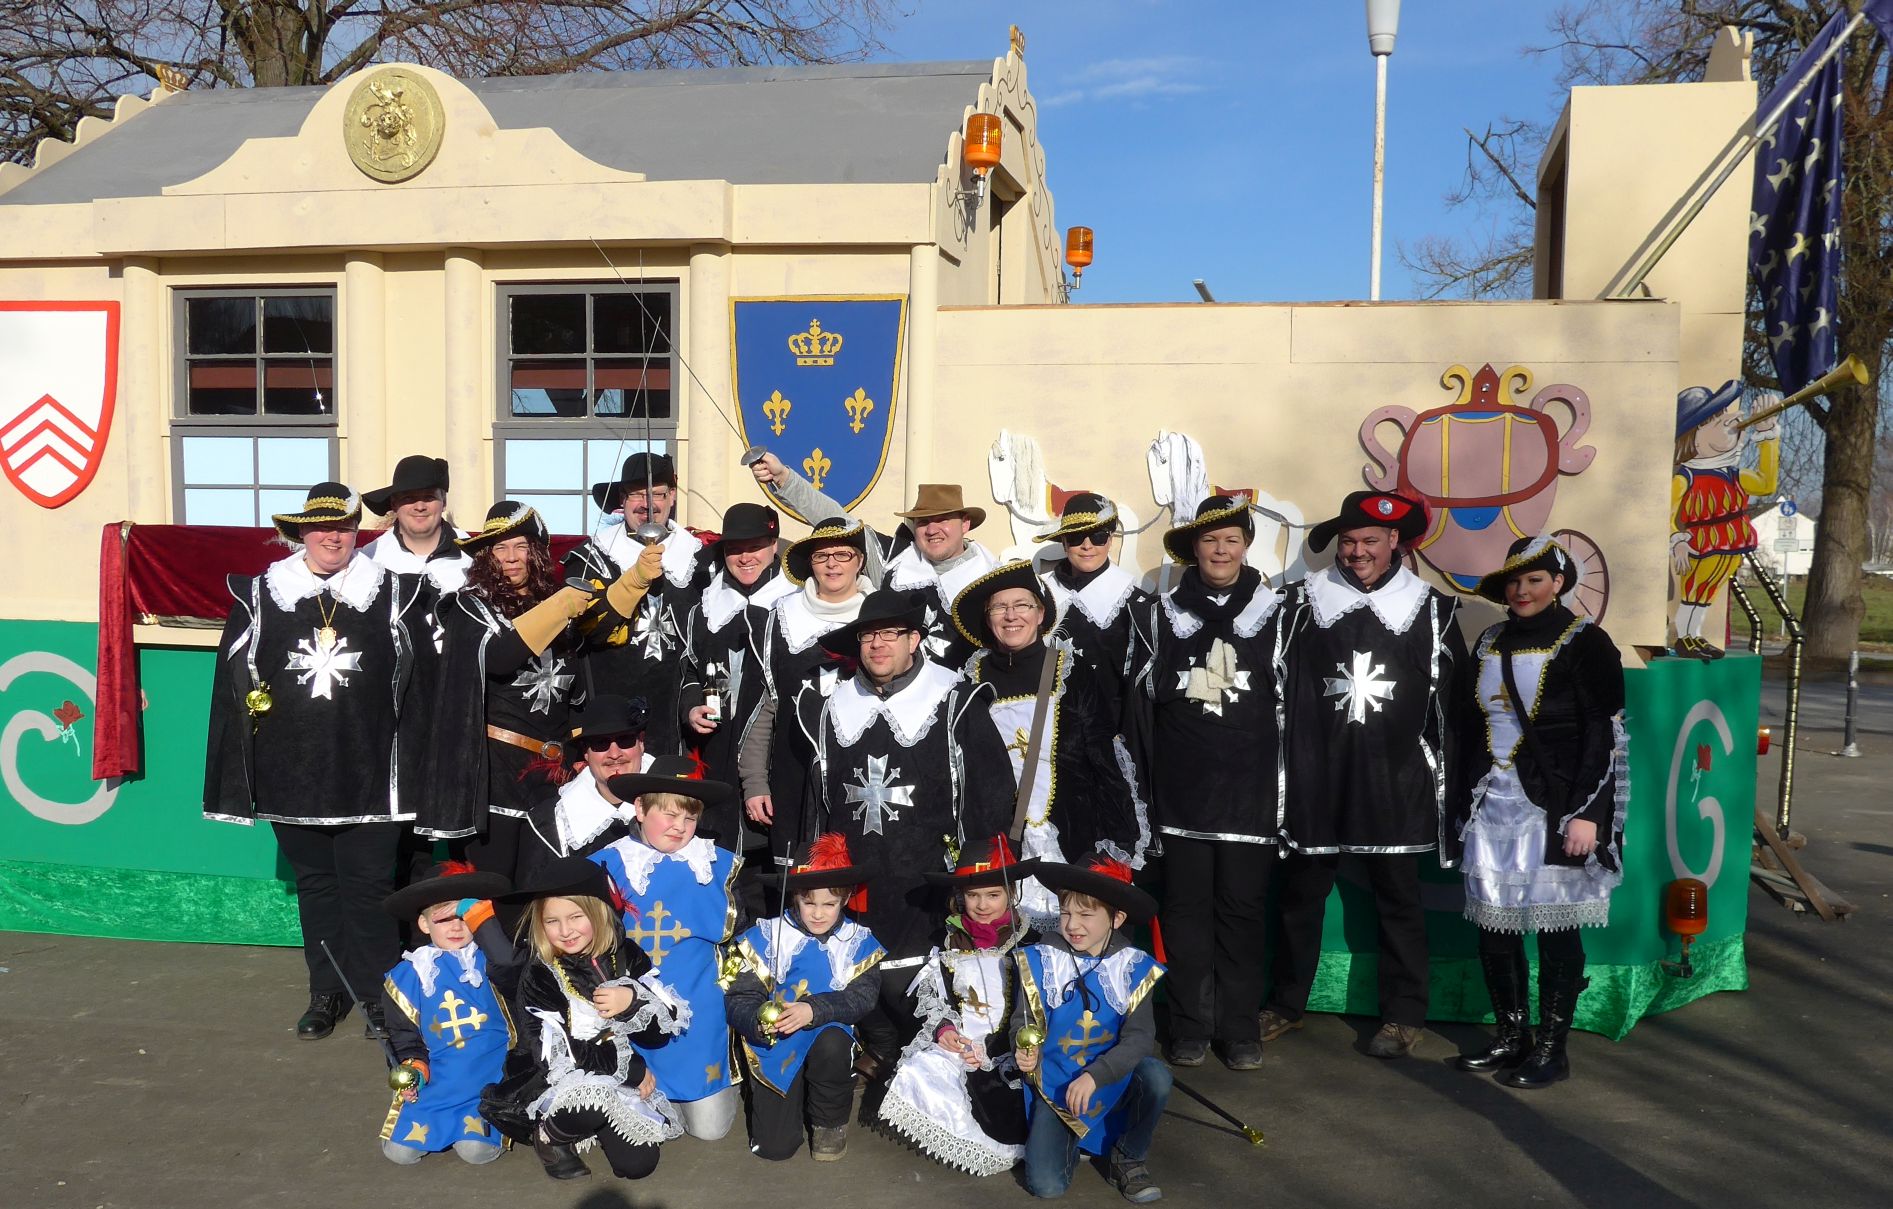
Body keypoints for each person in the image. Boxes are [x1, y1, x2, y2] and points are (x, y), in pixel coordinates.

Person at [203, 482, 432, 1041]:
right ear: (302, 533)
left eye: (344, 527)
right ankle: (327, 993)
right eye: (322, 528)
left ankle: (381, 998)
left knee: (370, 891)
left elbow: (423, 686)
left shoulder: (395, 592)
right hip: (293, 773)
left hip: (372, 773)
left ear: (356, 532)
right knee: (317, 888)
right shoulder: (263, 594)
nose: (333, 537)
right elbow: (232, 685)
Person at [1271, 490, 1467, 1060]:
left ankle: (1404, 1015)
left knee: (1398, 901)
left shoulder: (1431, 609)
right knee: (1300, 897)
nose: (1358, 552)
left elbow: (1452, 706)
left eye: (1370, 542)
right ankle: (1284, 1004)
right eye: (1350, 541)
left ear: (1394, 542)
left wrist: (1445, 783)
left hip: (1394, 780)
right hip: (1316, 775)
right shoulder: (1300, 604)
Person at [791, 589, 1015, 1066]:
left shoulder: (953, 699)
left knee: (920, 982)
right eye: (869, 636)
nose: (878, 645)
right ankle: (874, 1049)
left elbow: (991, 791)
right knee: (860, 974)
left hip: (930, 877)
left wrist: (980, 871)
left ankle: (925, 1060)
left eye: (891, 634)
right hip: (856, 878)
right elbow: (817, 799)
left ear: (914, 640)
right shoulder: (833, 707)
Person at [1452, 536, 1627, 1089]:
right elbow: (1468, 724)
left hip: (1556, 803)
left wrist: (1589, 814)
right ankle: (1511, 1036)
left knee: (1556, 929)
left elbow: (1603, 734)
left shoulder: (1587, 642)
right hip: (1492, 801)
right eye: (1514, 581)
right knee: (1494, 924)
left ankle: (1552, 1049)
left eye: (1534, 580)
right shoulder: (1489, 640)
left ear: (1558, 583)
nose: (1522, 590)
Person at [425, 503, 664, 869]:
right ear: (486, 556)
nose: (510, 557)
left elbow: (597, 629)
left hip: (557, 774)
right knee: (496, 883)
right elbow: (500, 656)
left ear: (535, 552)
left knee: (550, 883)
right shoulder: (470, 606)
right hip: (496, 774)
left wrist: (634, 580)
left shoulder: (556, 603)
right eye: (500, 548)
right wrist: (559, 607)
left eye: (520, 546)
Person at [1139, 497, 1286, 1071]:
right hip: (1183, 792)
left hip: (1251, 793)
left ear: (1245, 545)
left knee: (1242, 914)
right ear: (1193, 549)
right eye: (1209, 540)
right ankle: (1189, 1026)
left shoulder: (1280, 614)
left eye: (1231, 539)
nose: (1220, 550)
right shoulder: (1160, 616)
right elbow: (1142, 706)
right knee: (1185, 914)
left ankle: (1240, 1029)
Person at [951, 560, 1151, 926]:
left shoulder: (1072, 671)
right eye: (999, 607)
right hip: (996, 839)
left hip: (1071, 833)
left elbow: (1103, 758)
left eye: (1022, 605)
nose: (1011, 616)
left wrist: (1118, 840)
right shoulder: (970, 678)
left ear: (1041, 614)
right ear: (988, 618)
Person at [481, 858, 687, 1181]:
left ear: (598, 912)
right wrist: (632, 1069)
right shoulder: (540, 974)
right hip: (553, 1075)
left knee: (638, 1165)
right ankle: (550, 1135)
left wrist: (632, 1002)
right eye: (552, 921)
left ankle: (595, 1123)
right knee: (592, 1103)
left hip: (610, 1072)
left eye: (576, 917)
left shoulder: (626, 954)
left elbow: (660, 1031)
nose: (565, 931)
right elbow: (557, 1056)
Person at [590, 757, 746, 1140]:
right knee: (645, 1124)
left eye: (690, 818)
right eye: (670, 815)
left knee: (709, 1132)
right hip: (630, 1010)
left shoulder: (714, 865)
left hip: (700, 1012)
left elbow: (741, 939)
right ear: (641, 809)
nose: (680, 827)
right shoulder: (607, 865)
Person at [1010, 855, 1170, 1204]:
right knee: (1047, 1186)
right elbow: (1024, 1021)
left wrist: (1097, 1075)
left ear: (1117, 918)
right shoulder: (1042, 960)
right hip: (1057, 1082)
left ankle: (1127, 1156)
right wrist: (1025, 1048)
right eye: (1065, 913)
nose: (1072, 925)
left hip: (1111, 1076)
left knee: (1156, 1077)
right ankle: (1072, 1140)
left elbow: (1140, 1038)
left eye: (1086, 915)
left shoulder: (1132, 967)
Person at [879, 835, 1037, 1177]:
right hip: (963, 1044)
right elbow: (936, 995)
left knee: (1013, 1107)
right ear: (959, 896)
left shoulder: (1029, 942)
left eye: (993, 895)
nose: (982, 905)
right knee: (920, 1071)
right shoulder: (948, 942)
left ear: (1011, 893)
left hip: (1012, 1046)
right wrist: (945, 1029)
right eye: (973, 895)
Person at [750, 453, 998, 666]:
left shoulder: (994, 578)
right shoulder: (893, 559)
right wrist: (784, 478)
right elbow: (837, 521)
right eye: (923, 522)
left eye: (943, 520)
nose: (932, 530)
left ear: (965, 524)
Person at [726, 834, 885, 1162]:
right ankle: (790, 1100)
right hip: (776, 1042)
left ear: (845, 899)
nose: (818, 914)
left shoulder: (857, 941)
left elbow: (863, 997)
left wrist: (813, 1009)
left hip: (827, 1034)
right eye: (809, 903)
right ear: (795, 896)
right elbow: (739, 995)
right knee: (775, 1148)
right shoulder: (765, 935)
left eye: (829, 904)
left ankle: (829, 1122)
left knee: (832, 1044)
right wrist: (758, 1021)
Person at [738, 516, 873, 867]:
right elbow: (764, 708)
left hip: (861, 777)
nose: (832, 564)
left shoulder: (880, 620)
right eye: (821, 555)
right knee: (796, 879)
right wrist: (755, 782)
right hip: (791, 773)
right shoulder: (779, 619)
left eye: (842, 554)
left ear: (859, 561)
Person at [565, 452, 709, 756]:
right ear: (622, 499)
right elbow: (584, 630)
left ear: (672, 496)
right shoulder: (591, 557)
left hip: (680, 723)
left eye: (657, 493)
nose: (648, 504)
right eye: (637, 494)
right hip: (610, 727)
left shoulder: (701, 560)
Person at [377, 861, 516, 1166]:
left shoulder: (493, 959)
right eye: (443, 919)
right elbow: (403, 1036)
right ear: (424, 924)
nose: (456, 927)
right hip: (440, 1080)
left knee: (475, 1151)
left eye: (464, 917)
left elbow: (512, 969)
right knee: (400, 1154)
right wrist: (414, 1070)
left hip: (491, 1077)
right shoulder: (409, 975)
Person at [677, 502, 796, 849]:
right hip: (716, 753)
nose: (745, 558)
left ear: (773, 545)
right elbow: (690, 671)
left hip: (776, 758)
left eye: (754, 547)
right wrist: (691, 708)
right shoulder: (705, 607)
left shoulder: (796, 601)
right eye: (734, 549)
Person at [1670, 379, 1779, 659]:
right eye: (1715, 420)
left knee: (1710, 590)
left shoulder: (1733, 474)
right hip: (1701, 541)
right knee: (1693, 589)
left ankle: (1696, 635)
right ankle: (1684, 637)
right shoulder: (1686, 478)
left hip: (1731, 540)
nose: (1730, 421)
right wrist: (1678, 541)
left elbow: (1766, 483)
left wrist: (1767, 436)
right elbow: (1668, 515)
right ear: (1693, 438)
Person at [515, 696, 656, 887]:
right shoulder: (549, 825)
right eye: (600, 743)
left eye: (625, 740)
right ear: (586, 753)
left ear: (641, 742)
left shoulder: (679, 801)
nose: (614, 754)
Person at [1035, 493, 1155, 714]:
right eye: (1076, 538)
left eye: (1098, 537)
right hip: (1043, 719)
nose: (1087, 546)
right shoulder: (1037, 596)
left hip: (1108, 723)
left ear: (1110, 540)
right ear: (1064, 543)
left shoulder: (1137, 605)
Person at [360, 454, 470, 593]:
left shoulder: (472, 554)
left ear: (444, 502)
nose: (420, 507)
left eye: (429, 497)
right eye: (409, 498)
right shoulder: (371, 557)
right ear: (394, 504)